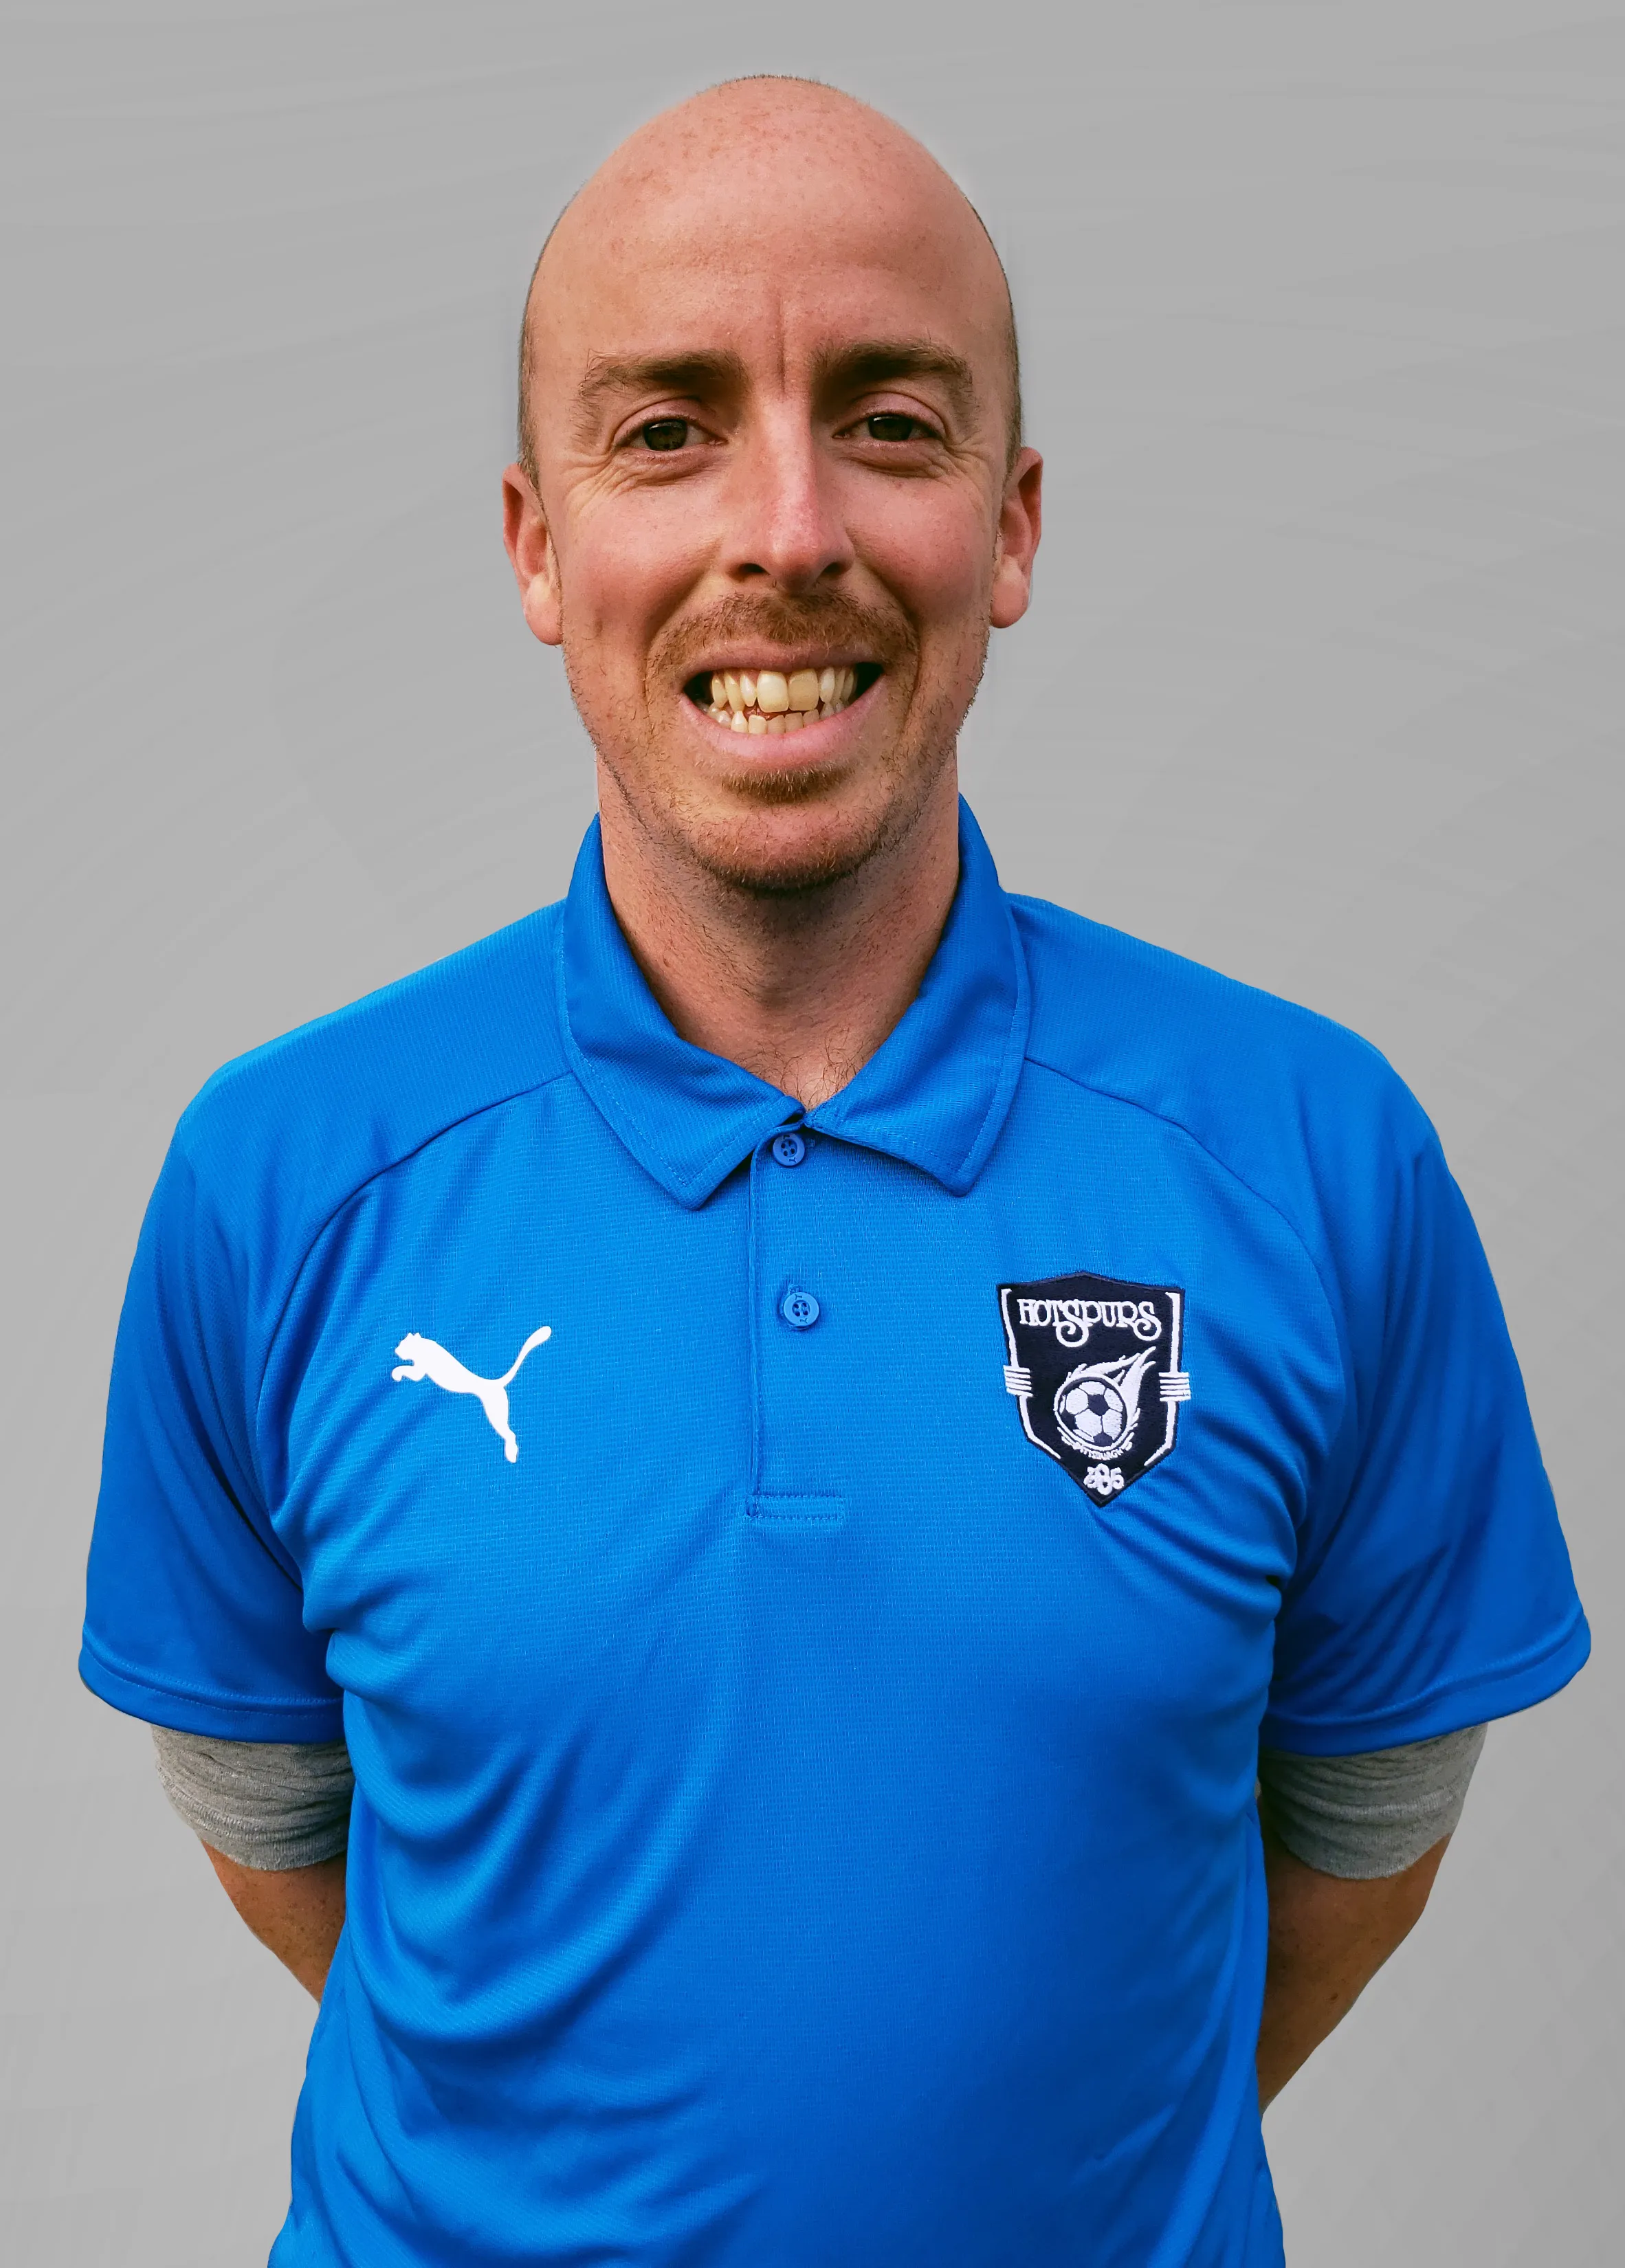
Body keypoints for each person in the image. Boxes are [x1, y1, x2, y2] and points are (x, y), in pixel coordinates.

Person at [82, 76, 1588, 2268]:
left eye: (886, 421)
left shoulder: (1308, 1157)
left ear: (1014, 522)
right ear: (532, 540)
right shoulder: (283, 1178)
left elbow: (1364, 1819)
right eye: (667, 427)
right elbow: (276, 1816)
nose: (782, 528)